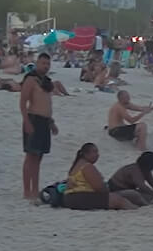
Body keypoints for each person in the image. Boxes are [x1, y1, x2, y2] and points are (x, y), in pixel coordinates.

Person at [19, 53, 65, 203]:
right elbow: (23, 102)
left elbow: (47, 104)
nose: (45, 66)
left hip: (45, 121)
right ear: (37, 63)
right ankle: (27, 191)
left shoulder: (46, 82)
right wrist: (26, 122)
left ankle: (35, 189)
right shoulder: (31, 80)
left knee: (39, 158)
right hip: (33, 119)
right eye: (43, 63)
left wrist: (52, 123)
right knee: (30, 156)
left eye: (47, 64)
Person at [62, 142, 133, 209]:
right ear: (86, 154)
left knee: (124, 195)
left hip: (69, 198)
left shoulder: (76, 166)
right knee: (118, 200)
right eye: (95, 152)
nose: (98, 155)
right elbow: (99, 188)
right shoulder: (87, 166)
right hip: (80, 197)